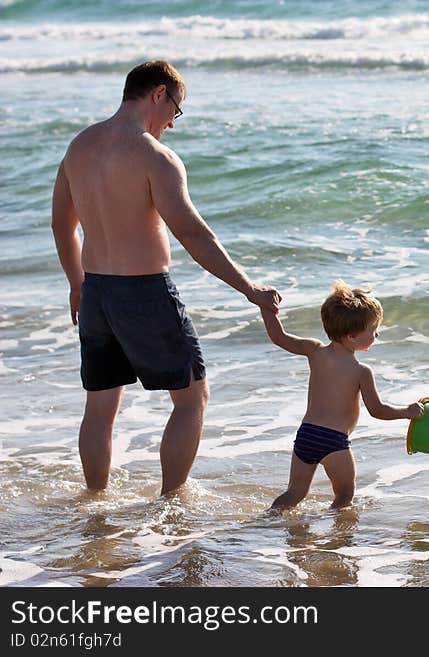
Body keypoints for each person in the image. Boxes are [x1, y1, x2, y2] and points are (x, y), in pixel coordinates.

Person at [51, 60, 281, 495]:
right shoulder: (155, 157)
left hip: (97, 290)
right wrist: (250, 289)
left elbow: (62, 225)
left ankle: (95, 500)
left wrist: (77, 283)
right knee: (192, 398)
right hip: (145, 292)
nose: (173, 124)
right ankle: (169, 503)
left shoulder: (79, 147)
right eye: (176, 109)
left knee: (100, 407)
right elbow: (193, 233)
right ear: (159, 94)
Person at [260, 281, 424, 510]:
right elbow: (377, 410)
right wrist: (407, 412)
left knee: (295, 492)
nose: (376, 334)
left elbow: (279, 337)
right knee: (345, 496)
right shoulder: (361, 372)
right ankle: (335, 540)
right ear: (351, 337)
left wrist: (265, 307)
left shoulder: (314, 350)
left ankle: (267, 521)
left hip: (306, 434)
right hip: (333, 441)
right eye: (373, 330)